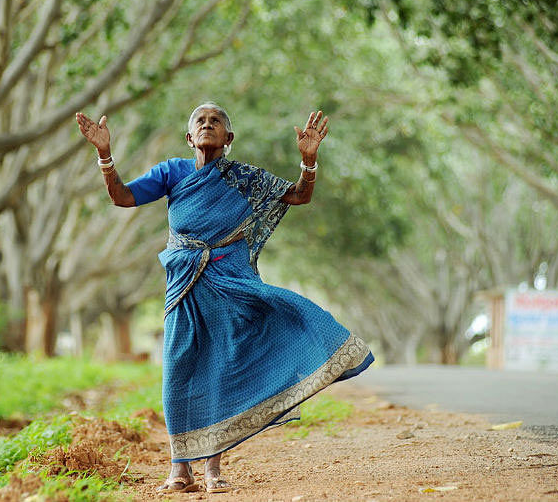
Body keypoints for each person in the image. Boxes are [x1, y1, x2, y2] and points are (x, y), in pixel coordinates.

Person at [75, 103, 373, 494]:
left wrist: (309, 161)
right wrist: (104, 154)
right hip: (184, 283)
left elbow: (299, 196)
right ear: (189, 137)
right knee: (178, 370)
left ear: (228, 138)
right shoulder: (172, 172)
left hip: (233, 281)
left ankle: (213, 469)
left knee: (221, 367)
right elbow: (123, 197)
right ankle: (179, 468)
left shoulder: (245, 178)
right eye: (200, 120)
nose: (207, 124)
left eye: (216, 121)